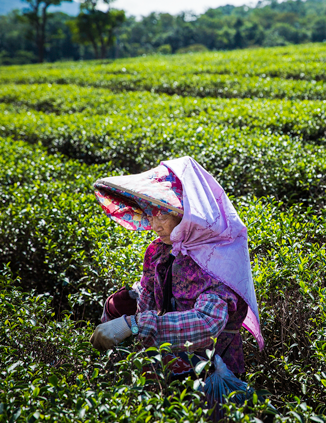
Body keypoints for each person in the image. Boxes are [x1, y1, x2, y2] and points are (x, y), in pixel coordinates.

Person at [89, 156, 264, 378]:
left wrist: (133, 325)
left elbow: (206, 323)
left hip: (209, 367)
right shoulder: (160, 250)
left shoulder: (214, 257)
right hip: (167, 356)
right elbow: (150, 297)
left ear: (185, 214)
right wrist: (127, 307)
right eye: (149, 215)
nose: (153, 225)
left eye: (161, 214)